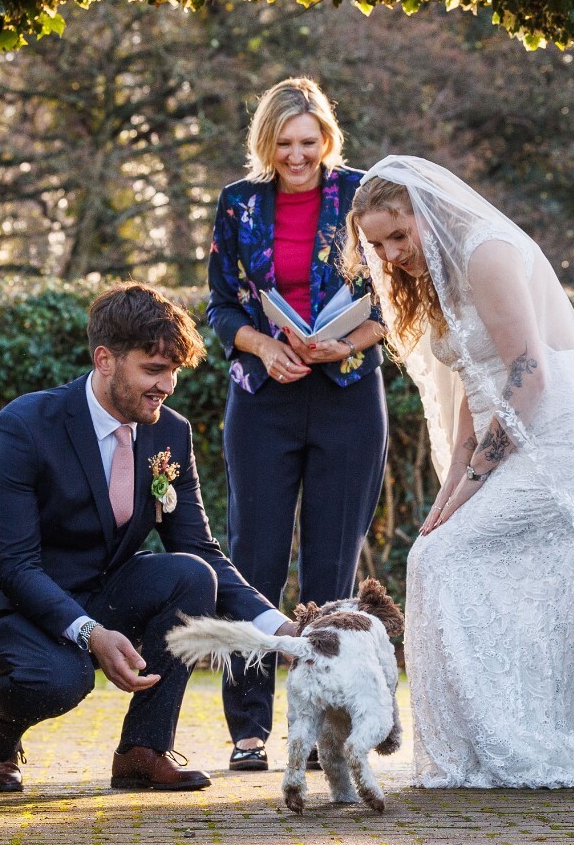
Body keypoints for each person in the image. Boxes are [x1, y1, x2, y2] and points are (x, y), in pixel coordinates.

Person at [343, 154, 574, 788]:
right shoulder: (436, 277)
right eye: (377, 244)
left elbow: (528, 375)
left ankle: (529, 742)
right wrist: (449, 494)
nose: (392, 254)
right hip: (516, 427)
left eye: (400, 235)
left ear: (427, 211)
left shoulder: (486, 253)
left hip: (568, 432)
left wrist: (478, 483)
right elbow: (470, 400)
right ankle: (487, 748)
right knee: (435, 550)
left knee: (443, 560)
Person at [0, 282, 296, 794]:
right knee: (60, 680)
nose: (168, 385)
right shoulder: (25, 426)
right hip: (18, 604)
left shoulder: (169, 434)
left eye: (174, 371)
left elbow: (200, 548)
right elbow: (13, 564)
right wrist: (89, 633)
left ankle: (143, 749)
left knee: (189, 574)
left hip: (100, 591)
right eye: (154, 370)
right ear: (105, 360)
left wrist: (278, 627)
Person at [207, 77, 388, 770]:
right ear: (266, 142)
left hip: (345, 393)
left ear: (327, 139)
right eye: (283, 143)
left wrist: (349, 341)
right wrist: (264, 344)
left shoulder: (362, 195)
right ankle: (248, 731)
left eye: (308, 142)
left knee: (330, 571)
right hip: (263, 398)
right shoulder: (238, 204)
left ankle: (321, 733)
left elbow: (396, 292)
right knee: (251, 559)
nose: (297, 155)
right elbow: (222, 305)